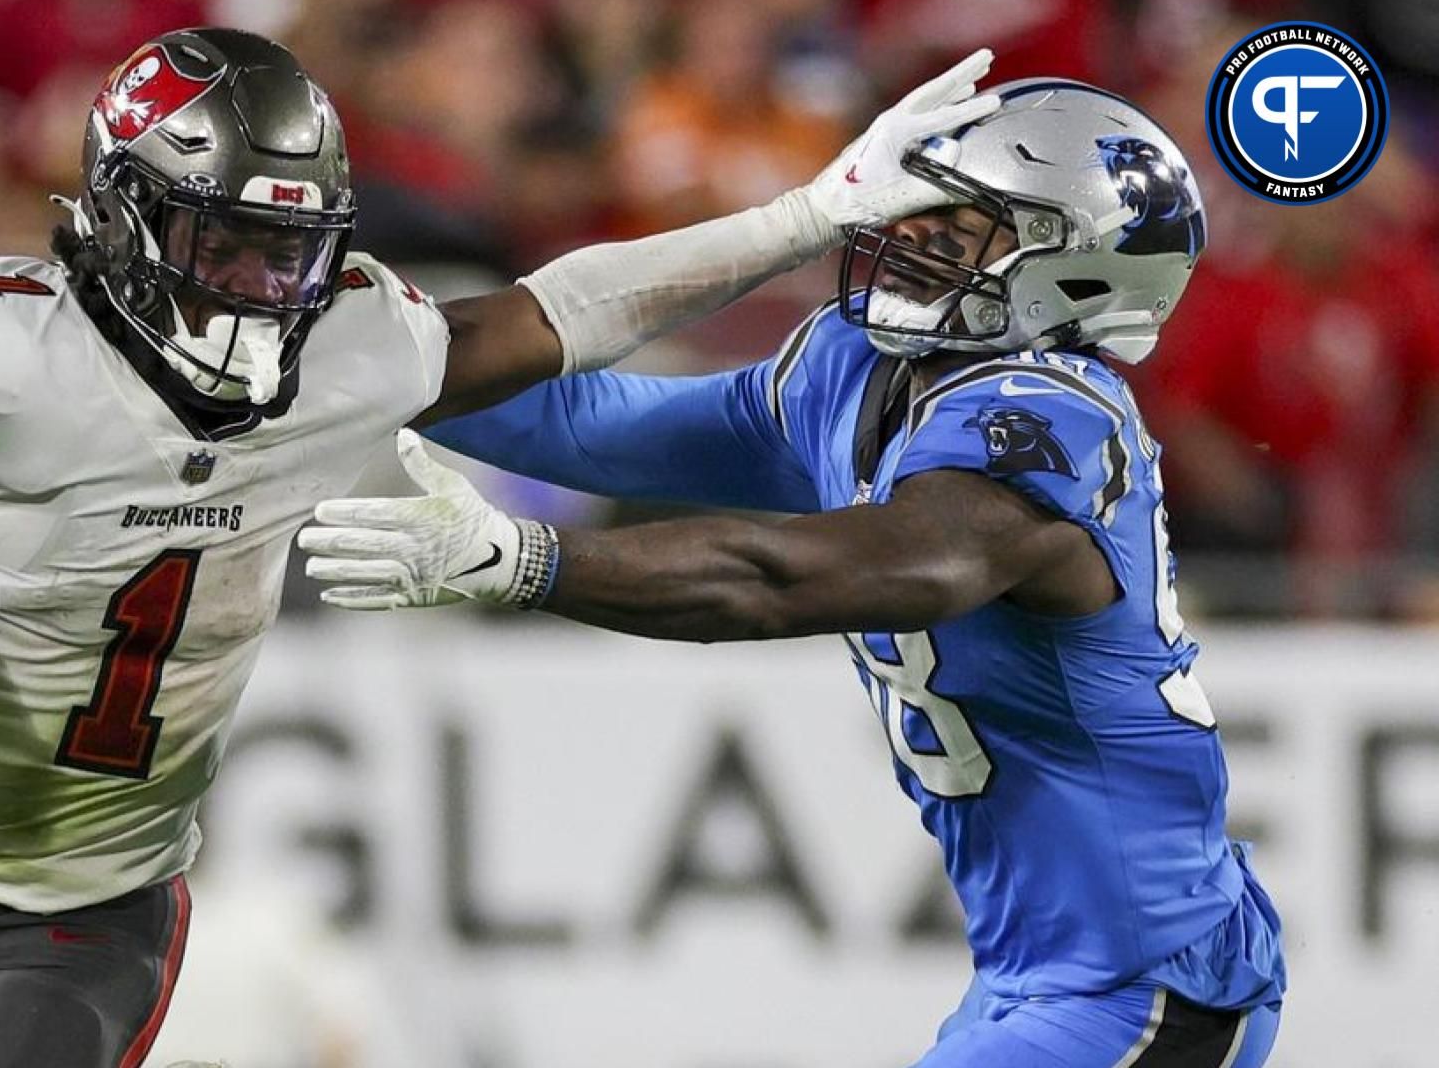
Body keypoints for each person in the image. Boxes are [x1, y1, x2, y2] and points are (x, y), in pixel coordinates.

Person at [0, 28, 1005, 1068]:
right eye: (222, 247)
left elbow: (556, 311)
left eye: (289, 255)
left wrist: (806, 218)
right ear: (122, 215)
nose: (265, 293)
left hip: (84, 908)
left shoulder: (340, 347)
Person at [298, 78, 1286, 1066]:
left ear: (1080, 273)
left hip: (1154, 978)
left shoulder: (1053, 421)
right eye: (924, 204)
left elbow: (799, 577)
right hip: (1031, 973)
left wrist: (526, 561)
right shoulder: (856, 367)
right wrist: (363, 358)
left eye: (971, 223)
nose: (917, 233)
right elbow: (593, 425)